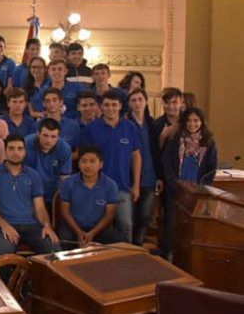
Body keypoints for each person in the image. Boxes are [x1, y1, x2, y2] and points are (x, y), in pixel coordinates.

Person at [78, 90, 141, 242]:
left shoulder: (130, 127)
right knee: (97, 228)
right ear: (100, 107)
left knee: (125, 225)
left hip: (122, 187)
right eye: (106, 105)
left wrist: (136, 185)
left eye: (114, 104)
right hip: (97, 187)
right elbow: (83, 157)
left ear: (120, 106)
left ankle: (125, 259)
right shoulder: (91, 128)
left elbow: (136, 156)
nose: (110, 108)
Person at [0, 134, 60, 256]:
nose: (16, 152)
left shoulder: (33, 175)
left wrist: (47, 226)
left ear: (24, 152)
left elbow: (40, 207)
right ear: (5, 151)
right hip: (5, 224)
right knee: (5, 253)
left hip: (32, 225)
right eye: (11, 148)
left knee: (54, 248)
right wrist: (4, 225)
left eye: (20, 149)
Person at [160, 107, 218, 259]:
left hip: (197, 192)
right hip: (175, 189)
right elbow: (166, 164)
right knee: (172, 223)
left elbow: (211, 169)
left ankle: (188, 256)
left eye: (196, 120)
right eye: (189, 121)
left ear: (202, 122)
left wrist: (202, 189)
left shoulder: (209, 143)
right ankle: (168, 253)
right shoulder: (174, 140)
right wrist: (174, 185)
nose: (192, 124)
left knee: (191, 225)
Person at [57, 145, 125, 246]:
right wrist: (78, 232)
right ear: (79, 164)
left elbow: (109, 214)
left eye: (92, 161)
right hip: (73, 228)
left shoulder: (111, 185)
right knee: (63, 240)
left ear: (101, 164)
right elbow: (65, 211)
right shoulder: (68, 183)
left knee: (119, 240)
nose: (88, 165)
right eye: (84, 161)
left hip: (98, 229)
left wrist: (92, 233)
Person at [127, 89, 161, 246]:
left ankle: (138, 245)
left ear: (146, 101)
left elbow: (158, 152)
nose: (137, 103)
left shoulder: (153, 125)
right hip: (129, 178)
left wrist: (159, 176)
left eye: (140, 99)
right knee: (129, 217)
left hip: (149, 177)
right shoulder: (125, 124)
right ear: (129, 104)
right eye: (133, 100)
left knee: (145, 216)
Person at [23, 119, 72, 208]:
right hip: (28, 194)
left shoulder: (65, 149)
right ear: (38, 134)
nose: (49, 140)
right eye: (45, 135)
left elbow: (64, 179)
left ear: (58, 137)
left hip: (53, 195)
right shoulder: (26, 143)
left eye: (53, 137)